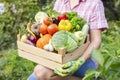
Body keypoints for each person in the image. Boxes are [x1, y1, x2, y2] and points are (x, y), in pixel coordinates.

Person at [28, 0, 108, 80]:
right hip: (61, 58)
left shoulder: (95, 3)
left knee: (41, 72)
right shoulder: (60, 2)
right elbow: (53, 30)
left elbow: (96, 40)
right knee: (35, 76)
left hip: (85, 59)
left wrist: (79, 62)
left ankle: (86, 78)